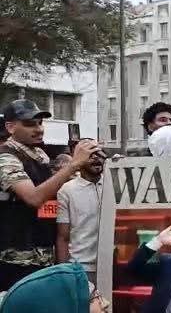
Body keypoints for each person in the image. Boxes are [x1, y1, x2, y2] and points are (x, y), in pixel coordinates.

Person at [0, 99, 99, 290]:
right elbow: (34, 198)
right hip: (15, 263)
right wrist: (73, 164)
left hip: (43, 258)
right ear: (10, 127)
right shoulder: (6, 157)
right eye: (30, 124)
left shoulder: (39, 155)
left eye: (40, 123)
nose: (39, 129)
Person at [56, 139, 105, 283]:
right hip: (80, 267)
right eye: (90, 154)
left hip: (112, 264)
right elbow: (63, 237)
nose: (96, 158)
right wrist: (64, 273)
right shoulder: (67, 190)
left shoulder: (116, 183)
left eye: (99, 154)